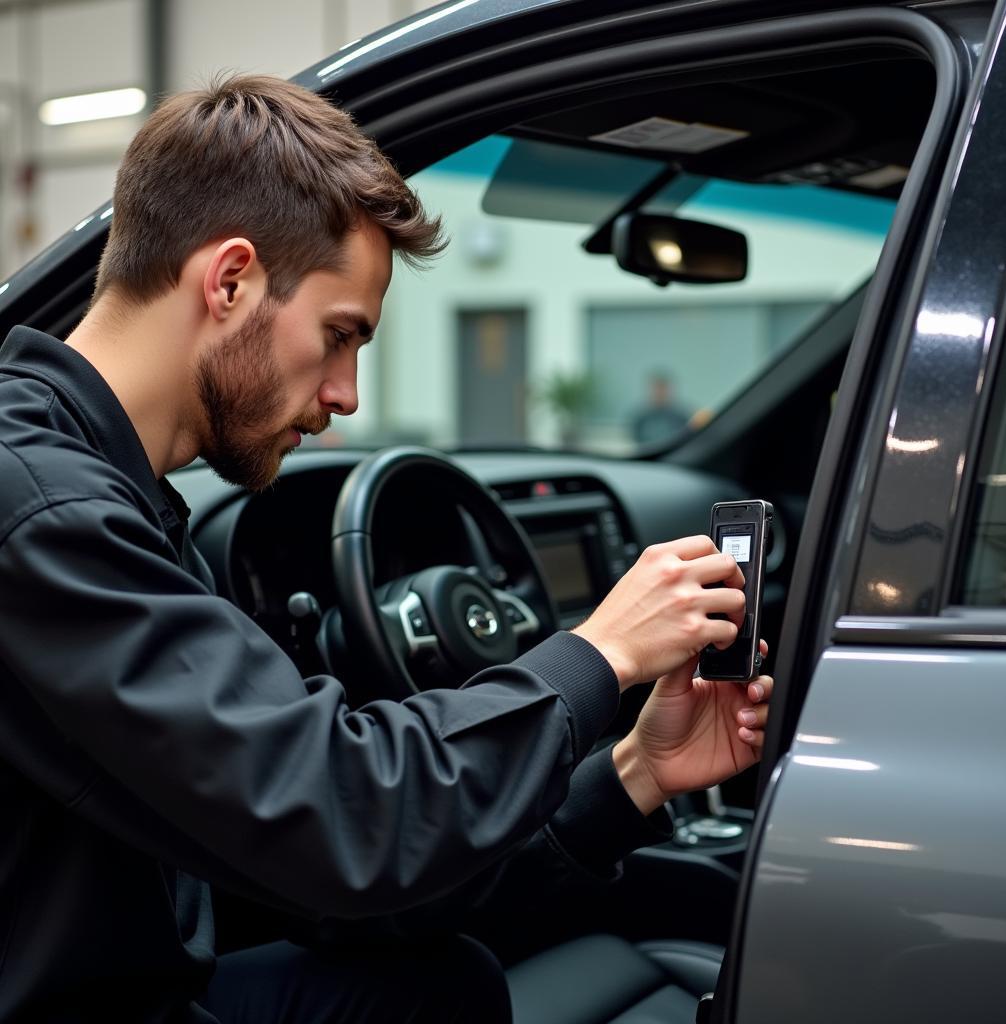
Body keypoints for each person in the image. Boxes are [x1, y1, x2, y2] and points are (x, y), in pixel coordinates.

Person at [0, 75, 773, 1023]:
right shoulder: (42, 509)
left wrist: (635, 776)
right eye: (338, 336)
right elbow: (336, 811)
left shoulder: (121, 499)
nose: (346, 395)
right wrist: (599, 653)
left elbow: (338, 877)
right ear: (230, 280)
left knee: (440, 984)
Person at [631, 371, 694, 445]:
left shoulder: (681, 416)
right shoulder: (641, 418)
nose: (659, 392)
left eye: (662, 389)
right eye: (657, 388)